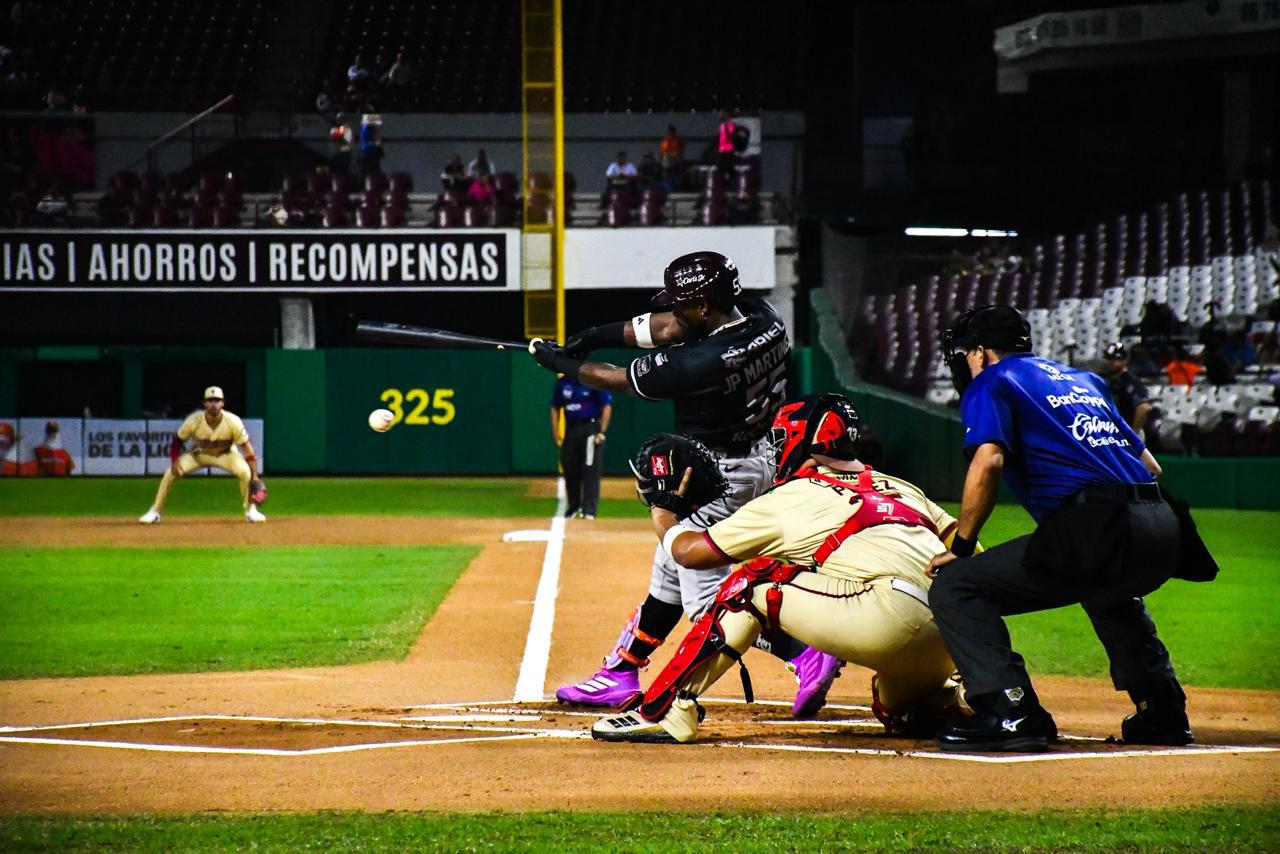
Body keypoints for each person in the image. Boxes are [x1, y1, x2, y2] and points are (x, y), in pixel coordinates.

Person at [529, 251, 842, 717]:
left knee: (706, 603)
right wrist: (590, 337)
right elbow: (665, 328)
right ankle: (621, 670)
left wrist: (562, 363)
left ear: (702, 309)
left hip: (715, 477)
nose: (671, 313)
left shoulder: (701, 362)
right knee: (668, 575)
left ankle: (804, 651)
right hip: (756, 457)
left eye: (680, 305)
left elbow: (618, 378)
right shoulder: (762, 316)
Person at [592, 395, 968, 744]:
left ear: (806, 443)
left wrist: (664, 512)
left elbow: (690, 553)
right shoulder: (905, 489)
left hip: (887, 622)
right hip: (950, 638)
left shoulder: (790, 496)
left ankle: (666, 710)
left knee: (749, 583)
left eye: (783, 438)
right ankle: (973, 695)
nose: (777, 447)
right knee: (902, 713)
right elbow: (973, 565)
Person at [925, 305, 1217, 752]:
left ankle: (1011, 710)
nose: (966, 361)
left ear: (982, 352)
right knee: (1105, 585)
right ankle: (1163, 711)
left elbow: (989, 460)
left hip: (1103, 522)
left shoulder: (993, 381)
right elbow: (1150, 464)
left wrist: (962, 544)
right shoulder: (1084, 381)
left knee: (957, 588)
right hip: (1165, 523)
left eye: (967, 353)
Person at [139, 386, 266, 525]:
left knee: (244, 472)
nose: (213, 404)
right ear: (204, 403)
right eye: (210, 400)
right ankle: (155, 511)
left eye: (217, 400)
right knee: (170, 473)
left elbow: (247, 448)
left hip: (226, 454)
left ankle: (250, 510)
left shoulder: (233, 421)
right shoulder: (194, 420)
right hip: (199, 454)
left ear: (222, 403)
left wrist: (255, 476)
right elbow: (177, 441)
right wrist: (175, 461)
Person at [550, 375, 612, 519]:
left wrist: (601, 431)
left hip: (590, 427)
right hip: (571, 428)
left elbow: (606, 407)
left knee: (590, 468)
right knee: (569, 466)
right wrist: (555, 431)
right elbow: (554, 406)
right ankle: (574, 507)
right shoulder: (563, 382)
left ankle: (589, 510)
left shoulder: (593, 381)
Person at [1101, 342, 1152, 434]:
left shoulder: (1131, 381)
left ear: (1125, 360)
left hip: (1125, 432)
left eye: (1117, 358)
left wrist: (1132, 433)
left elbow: (1143, 408)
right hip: (1106, 430)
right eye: (1109, 358)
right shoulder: (1101, 378)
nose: (1112, 362)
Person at [715, 109, 737, 179]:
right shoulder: (722, 125)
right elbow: (721, 137)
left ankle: (731, 179)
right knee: (721, 166)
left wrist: (727, 127)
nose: (719, 116)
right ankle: (724, 179)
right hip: (722, 149)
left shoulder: (730, 124)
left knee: (728, 166)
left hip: (728, 149)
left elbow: (731, 135)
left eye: (721, 114)